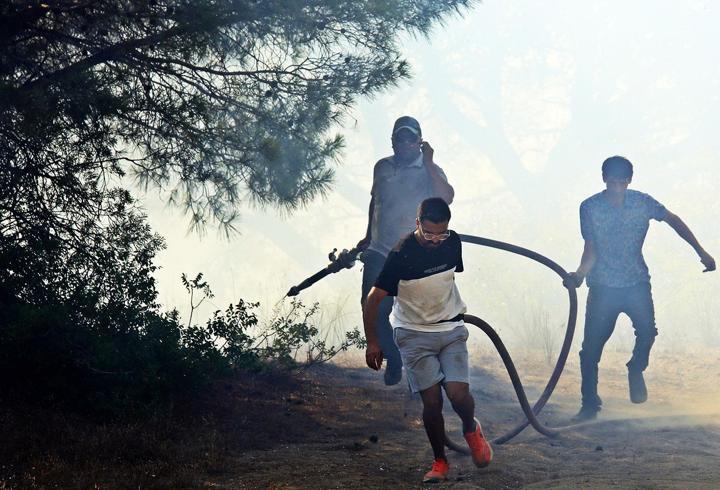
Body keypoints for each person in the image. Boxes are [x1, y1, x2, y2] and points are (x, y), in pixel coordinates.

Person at [565, 156, 716, 422]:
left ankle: (636, 368)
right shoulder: (589, 207)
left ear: (629, 181)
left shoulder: (642, 202)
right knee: (590, 350)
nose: (617, 189)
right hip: (602, 287)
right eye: (612, 182)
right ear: (604, 180)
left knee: (647, 332)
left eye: (622, 183)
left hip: (636, 282)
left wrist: (701, 251)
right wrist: (579, 274)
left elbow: (673, 220)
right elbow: (591, 249)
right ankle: (589, 405)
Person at [363, 198, 493, 483]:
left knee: (458, 393)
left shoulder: (453, 243)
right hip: (413, 334)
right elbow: (373, 300)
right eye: (429, 233)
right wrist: (373, 341)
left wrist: (445, 312)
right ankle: (440, 461)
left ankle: (471, 429)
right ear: (417, 223)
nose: (436, 240)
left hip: (450, 330)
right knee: (432, 402)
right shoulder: (400, 254)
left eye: (441, 233)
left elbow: (445, 282)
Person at [357, 116, 455, 386]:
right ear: (392, 141)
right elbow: (375, 200)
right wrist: (368, 235)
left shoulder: (429, 170)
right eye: (399, 138)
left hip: (414, 255)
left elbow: (446, 198)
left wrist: (430, 163)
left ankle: (429, 372)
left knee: (420, 316)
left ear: (419, 141)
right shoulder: (383, 167)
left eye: (410, 138)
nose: (404, 143)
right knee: (372, 306)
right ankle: (394, 358)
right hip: (379, 251)